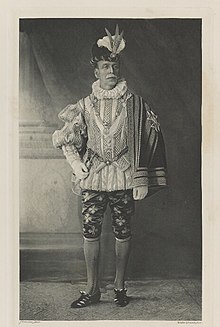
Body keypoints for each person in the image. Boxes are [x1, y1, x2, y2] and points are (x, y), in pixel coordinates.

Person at [52, 25, 167, 308]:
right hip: (93, 178)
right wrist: (77, 164)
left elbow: (151, 136)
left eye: (114, 65)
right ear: (97, 72)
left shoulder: (135, 104)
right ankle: (91, 290)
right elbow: (67, 139)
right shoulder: (84, 105)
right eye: (105, 66)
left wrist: (142, 179)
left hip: (125, 177)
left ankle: (119, 288)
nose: (111, 70)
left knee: (123, 231)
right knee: (90, 231)